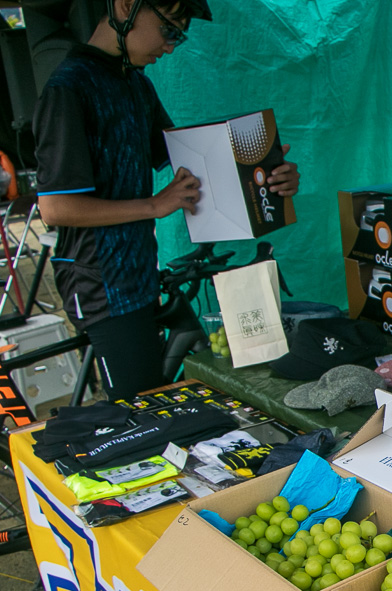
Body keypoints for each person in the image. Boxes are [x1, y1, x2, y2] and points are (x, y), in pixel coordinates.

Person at [32, 0, 299, 400]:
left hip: (138, 275)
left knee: (159, 401)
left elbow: (189, 160)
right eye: (170, 30)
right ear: (125, 6)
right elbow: (56, 207)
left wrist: (266, 175)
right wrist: (155, 206)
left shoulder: (134, 83)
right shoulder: (68, 88)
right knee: (138, 412)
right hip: (99, 286)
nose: (171, 46)